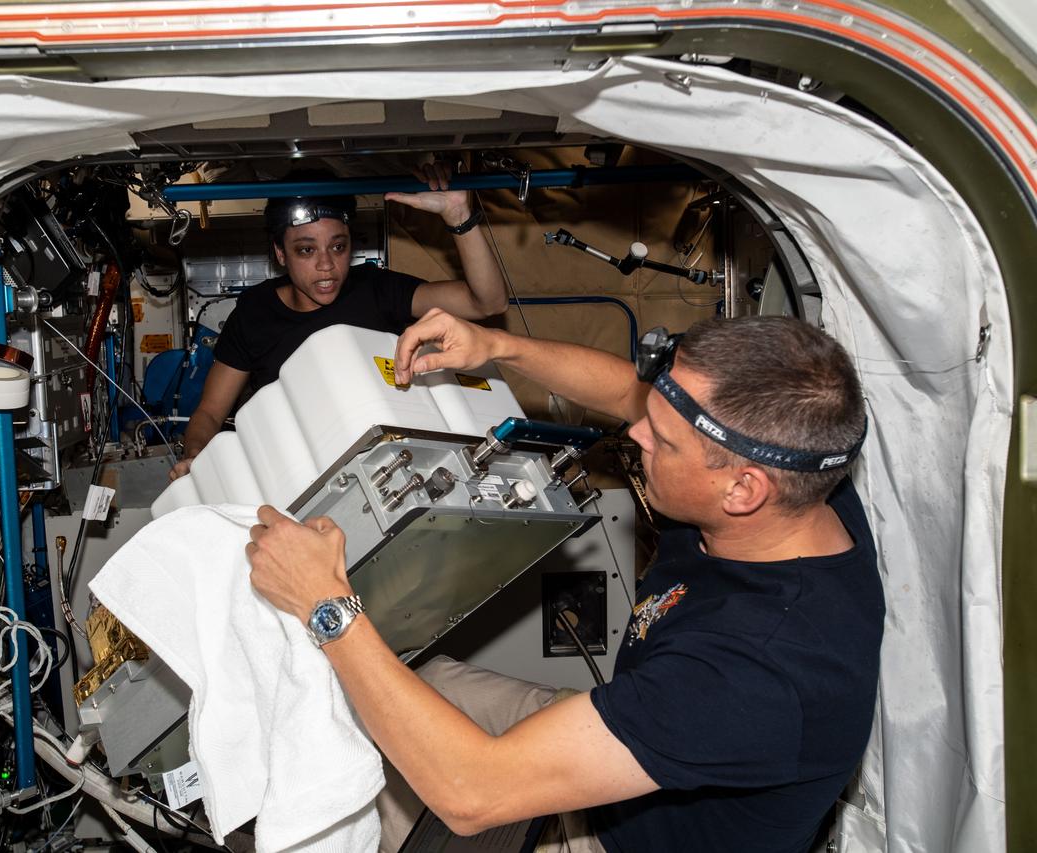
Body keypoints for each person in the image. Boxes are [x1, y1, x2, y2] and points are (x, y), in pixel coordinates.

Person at [244, 308, 884, 853]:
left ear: (744, 489)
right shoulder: (796, 482)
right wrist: (499, 345)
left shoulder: (758, 669)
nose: (634, 435)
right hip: (638, 733)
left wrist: (326, 605)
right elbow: (631, 396)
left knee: (423, 745)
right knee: (405, 691)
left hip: (621, 841)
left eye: (661, 442)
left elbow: (474, 794)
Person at [167, 164, 508, 480]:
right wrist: (196, 457)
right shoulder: (255, 314)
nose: (326, 265)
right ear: (280, 253)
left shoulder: (376, 289)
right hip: (295, 477)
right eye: (305, 250)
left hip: (390, 468)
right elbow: (210, 413)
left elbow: (486, 302)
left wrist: (459, 216)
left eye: (338, 246)